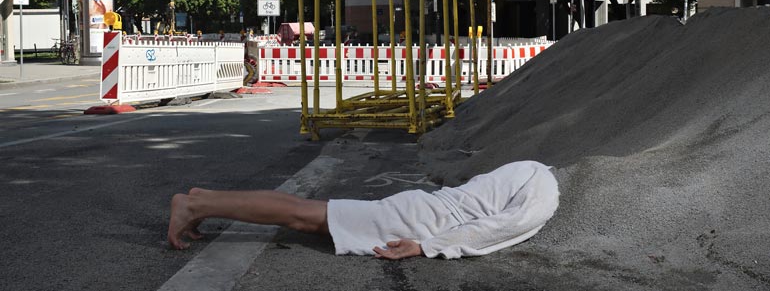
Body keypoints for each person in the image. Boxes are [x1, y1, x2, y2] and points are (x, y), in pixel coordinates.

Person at [168, 161, 559, 260]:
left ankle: (205, 198)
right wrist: (430, 247)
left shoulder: (527, 168)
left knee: (303, 211)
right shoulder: (546, 192)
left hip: (422, 206)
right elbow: (499, 229)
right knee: (300, 216)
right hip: (423, 220)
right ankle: (196, 204)